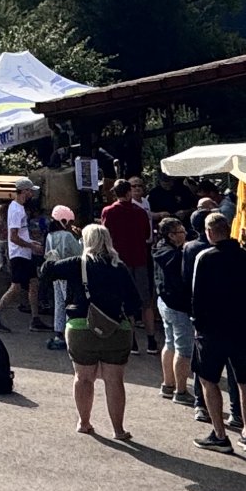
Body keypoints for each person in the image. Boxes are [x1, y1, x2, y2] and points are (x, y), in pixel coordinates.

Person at [54, 222, 144, 439]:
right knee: (114, 380)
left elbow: (47, 271)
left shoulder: (76, 264)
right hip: (116, 329)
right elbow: (135, 302)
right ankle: (118, 430)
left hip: (81, 328)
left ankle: (84, 422)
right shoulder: (119, 267)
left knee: (83, 377)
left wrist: (52, 257)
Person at [190, 212, 246, 452]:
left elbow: (197, 296)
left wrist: (198, 324)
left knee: (208, 380)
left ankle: (219, 434)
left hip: (212, 330)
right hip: (244, 329)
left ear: (209, 232)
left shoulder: (205, 258)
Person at [100, 180, 157, 352]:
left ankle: (132, 341)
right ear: (128, 193)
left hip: (119, 261)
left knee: (126, 302)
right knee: (146, 302)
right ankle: (151, 340)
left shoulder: (108, 211)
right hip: (140, 259)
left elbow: (105, 236)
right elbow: (147, 235)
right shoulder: (140, 212)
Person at [0, 180, 43, 331]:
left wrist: (31, 243)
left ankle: (35, 319)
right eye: (30, 191)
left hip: (22, 253)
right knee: (16, 287)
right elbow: (14, 237)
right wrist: (32, 246)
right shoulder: (18, 210)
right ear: (24, 191)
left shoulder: (16, 207)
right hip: (19, 254)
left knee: (33, 283)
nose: (32, 194)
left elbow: (18, 235)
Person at [154, 216, 196, 404]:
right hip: (176, 306)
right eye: (181, 232)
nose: (185, 234)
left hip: (165, 302)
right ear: (171, 235)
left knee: (170, 343)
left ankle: (168, 384)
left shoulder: (161, 248)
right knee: (183, 349)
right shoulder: (172, 254)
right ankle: (181, 391)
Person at [36, 204, 83, 342]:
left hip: (55, 272)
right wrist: (81, 239)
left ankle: (58, 331)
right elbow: (79, 252)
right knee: (69, 302)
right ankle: (70, 331)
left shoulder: (50, 236)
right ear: (64, 221)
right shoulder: (67, 236)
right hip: (68, 273)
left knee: (59, 302)